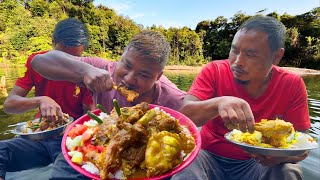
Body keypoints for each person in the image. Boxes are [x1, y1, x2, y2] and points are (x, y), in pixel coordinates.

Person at [31, 30, 186, 179]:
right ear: (120, 58)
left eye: (144, 75)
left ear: (158, 76)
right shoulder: (101, 69)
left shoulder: (173, 97)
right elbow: (39, 62)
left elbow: (190, 129)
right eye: (126, 65)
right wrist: (84, 71)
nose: (130, 79)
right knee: (63, 169)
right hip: (98, 147)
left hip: (144, 162)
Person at [171, 16, 310, 180]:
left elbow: (303, 145)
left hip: (258, 165)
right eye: (235, 50)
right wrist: (219, 103)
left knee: (287, 172)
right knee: (186, 162)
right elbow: (183, 117)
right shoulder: (214, 71)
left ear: (276, 57)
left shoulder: (291, 84)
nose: (237, 61)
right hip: (208, 157)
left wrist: (282, 157)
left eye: (250, 54)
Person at [0, 18, 94, 180]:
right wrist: (39, 100)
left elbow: (90, 116)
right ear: (53, 43)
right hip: (39, 137)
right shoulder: (37, 62)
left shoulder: (87, 72)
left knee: (65, 175)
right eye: (61, 56)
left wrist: (71, 130)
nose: (66, 63)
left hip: (71, 140)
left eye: (74, 59)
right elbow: (9, 105)